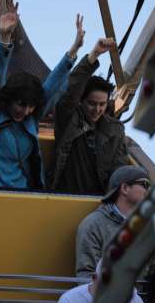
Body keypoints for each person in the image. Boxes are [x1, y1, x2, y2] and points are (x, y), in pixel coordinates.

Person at [0, 2, 83, 189]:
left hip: (20, 193)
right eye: (21, 104)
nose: (26, 111)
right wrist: (4, 36)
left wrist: (73, 51)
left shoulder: (30, 121)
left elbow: (51, 87)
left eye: (31, 106)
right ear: (9, 99)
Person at [52, 16, 130, 195]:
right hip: (64, 195)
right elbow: (71, 89)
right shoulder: (69, 119)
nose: (97, 109)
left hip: (97, 201)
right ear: (82, 101)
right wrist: (94, 54)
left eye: (102, 104)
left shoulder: (115, 130)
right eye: (92, 104)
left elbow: (118, 168)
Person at [75, 165, 151, 279]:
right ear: (125, 188)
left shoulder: (149, 226)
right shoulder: (93, 225)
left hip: (140, 296)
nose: (148, 190)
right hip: (103, 296)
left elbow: (154, 271)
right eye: (144, 185)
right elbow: (86, 275)